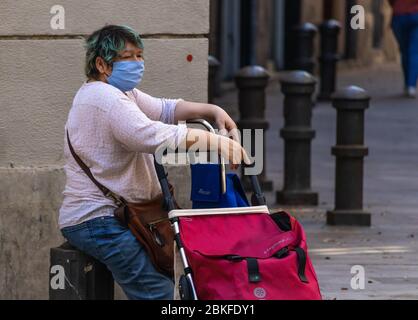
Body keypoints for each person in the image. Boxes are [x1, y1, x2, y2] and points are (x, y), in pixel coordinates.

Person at [59, 25, 248, 300]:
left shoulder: (122, 94)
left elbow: (166, 109)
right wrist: (216, 142)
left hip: (120, 216)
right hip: (97, 219)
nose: (138, 63)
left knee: (171, 283)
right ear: (102, 64)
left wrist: (213, 110)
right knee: (157, 294)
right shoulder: (105, 98)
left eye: (140, 55)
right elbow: (151, 136)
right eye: (129, 57)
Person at [390, 0, 418, 98]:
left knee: (405, 51)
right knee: (414, 52)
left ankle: (408, 84)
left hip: (399, 15)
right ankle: (410, 85)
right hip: (415, 15)